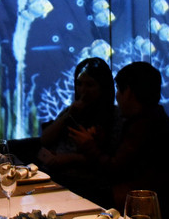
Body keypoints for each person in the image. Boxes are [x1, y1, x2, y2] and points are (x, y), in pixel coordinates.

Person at [78, 62, 169, 208]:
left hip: (139, 201)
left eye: (119, 90)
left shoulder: (143, 125)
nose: (117, 97)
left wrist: (88, 146)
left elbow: (115, 169)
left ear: (129, 92)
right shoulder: (151, 118)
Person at [34, 58, 116, 197]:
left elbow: (111, 160)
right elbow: (45, 140)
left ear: (102, 87)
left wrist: (70, 158)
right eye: (79, 84)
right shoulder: (72, 110)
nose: (83, 90)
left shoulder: (114, 116)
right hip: (53, 174)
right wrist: (68, 115)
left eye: (90, 85)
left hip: (85, 183)